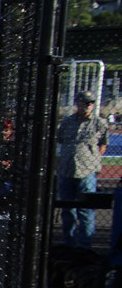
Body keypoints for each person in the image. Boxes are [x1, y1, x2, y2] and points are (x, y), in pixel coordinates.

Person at [57, 90, 109, 250]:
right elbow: (60, 140)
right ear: (77, 103)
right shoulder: (67, 122)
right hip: (66, 169)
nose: (87, 106)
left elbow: (103, 145)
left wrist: (92, 160)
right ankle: (69, 242)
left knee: (86, 210)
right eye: (84, 102)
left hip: (87, 171)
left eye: (90, 103)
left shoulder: (99, 123)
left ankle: (84, 245)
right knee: (67, 209)